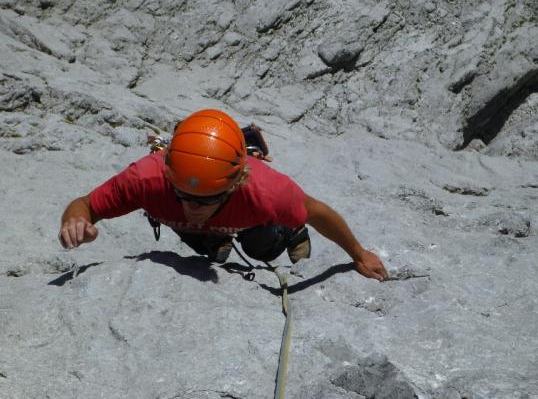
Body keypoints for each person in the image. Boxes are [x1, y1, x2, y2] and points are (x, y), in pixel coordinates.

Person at [58, 109, 388, 281]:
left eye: (205, 200)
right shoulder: (147, 179)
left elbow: (317, 212)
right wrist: (76, 221)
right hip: (207, 226)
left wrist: (358, 254)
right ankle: (215, 240)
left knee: (262, 249)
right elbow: (86, 205)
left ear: (236, 182)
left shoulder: (266, 192)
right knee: (205, 244)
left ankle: (289, 231)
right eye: (181, 195)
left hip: (252, 219)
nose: (191, 207)